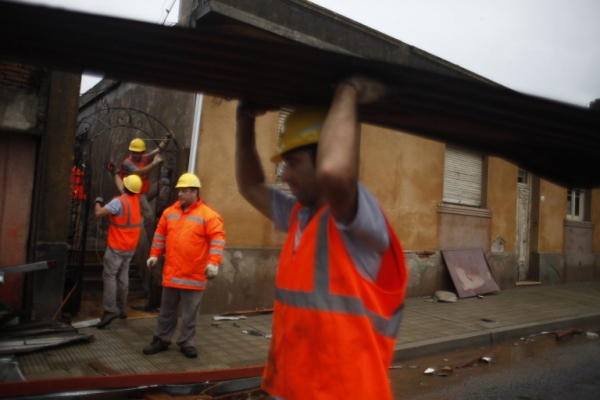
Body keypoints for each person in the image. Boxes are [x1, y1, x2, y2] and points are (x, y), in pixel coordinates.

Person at [235, 76, 408, 399]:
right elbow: (249, 186)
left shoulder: (358, 221)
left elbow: (334, 173)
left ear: (324, 155)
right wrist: (244, 118)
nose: (284, 175)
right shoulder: (302, 216)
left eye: (293, 162)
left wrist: (349, 90)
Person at [143, 173, 226, 359]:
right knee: (166, 312)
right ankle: (161, 340)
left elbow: (217, 239)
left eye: (185, 190)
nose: (180, 194)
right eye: (179, 190)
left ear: (195, 192)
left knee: (190, 314)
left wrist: (214, 263)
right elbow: (159, 235)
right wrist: (154, 255)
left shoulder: (208, 215)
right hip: (172, 273)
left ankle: (187, 343)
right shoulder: (169, 212)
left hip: (194, 274)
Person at [93, 174, 143, 329]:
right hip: (130, 248)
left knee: (109, 276)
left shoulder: (119, 202)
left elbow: (99, 213)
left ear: (125, 187)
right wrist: (114, 172)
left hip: (116, 247)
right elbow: (123, 186)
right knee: (122, 277)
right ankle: (122, 309)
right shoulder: (135, 199)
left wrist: (98, 202)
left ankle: (110, 309)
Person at [118, 136, 170, 242]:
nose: (135, 155)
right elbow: (139, 172)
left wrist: (166, 140)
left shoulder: (144, 158)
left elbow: (158, 150)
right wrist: (154, 163)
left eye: (138, 153)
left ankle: (161, 209)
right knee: (149, 216)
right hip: (135, 195)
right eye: (133, 152)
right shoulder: (127, 163)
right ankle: (150, 240)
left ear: (142, 152)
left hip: (145, 192)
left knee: (164, 182)